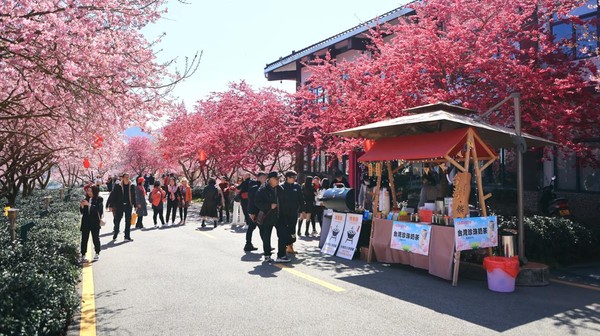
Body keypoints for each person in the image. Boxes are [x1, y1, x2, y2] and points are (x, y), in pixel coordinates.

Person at [254, 172, 281, 262]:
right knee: (266, 236)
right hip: (267, 216)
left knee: (282, 234)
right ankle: (267, 254)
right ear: (270, 179)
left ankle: (281, 254)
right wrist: (269, 206)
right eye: (276, 179)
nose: (278, 180)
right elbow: (257, 202)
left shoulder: (279, 188)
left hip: (278, 215)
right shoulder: (263, 189)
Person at [277, 170, 303, 256]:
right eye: (293, 177)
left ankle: (290, 246)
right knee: (284, 231)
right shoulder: (281, 187)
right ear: (287, 177)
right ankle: (283, 247)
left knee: (292, 230)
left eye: (295, 177)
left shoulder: (297, 186)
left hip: (293, 212)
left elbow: (300, 199)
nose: (295, 179)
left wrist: (302, 210)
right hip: (283, 213)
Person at [106, 172, 136, 241]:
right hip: (119, 205)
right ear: (122, 178)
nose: (127, 178)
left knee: (128, 221)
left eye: (128, 177)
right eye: (125, 177)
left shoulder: (132, 186)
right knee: (117, 220)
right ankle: (116, 232)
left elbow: (134, 196)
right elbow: (113, 195)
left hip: (128, 205)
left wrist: (135, 205)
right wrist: (110, 205)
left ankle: (127, 236)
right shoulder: (118, 186)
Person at [80, 184, 103, 262]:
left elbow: (98, 210)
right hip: (86, 221)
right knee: (84, 238)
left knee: (95, 238)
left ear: (95, 191)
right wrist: (82, 206)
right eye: (88, 191)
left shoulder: (99, 199)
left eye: (91, 191)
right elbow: (82, 212)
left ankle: (97, 252)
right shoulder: (86, 199)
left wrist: (89, 205)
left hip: (95, 222)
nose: (89, 192)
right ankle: (83, 254)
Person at [245, 172, 266, 251]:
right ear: (260, 177)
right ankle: (249, 244)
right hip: (254, 212)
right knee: (258, 228)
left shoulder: (260, 186)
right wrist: (251, 212)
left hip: (258, 211)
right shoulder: (255, 187)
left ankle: (248, 244)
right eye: (264, 177)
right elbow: (251, 201)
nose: (265, 179)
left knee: (255, 228)